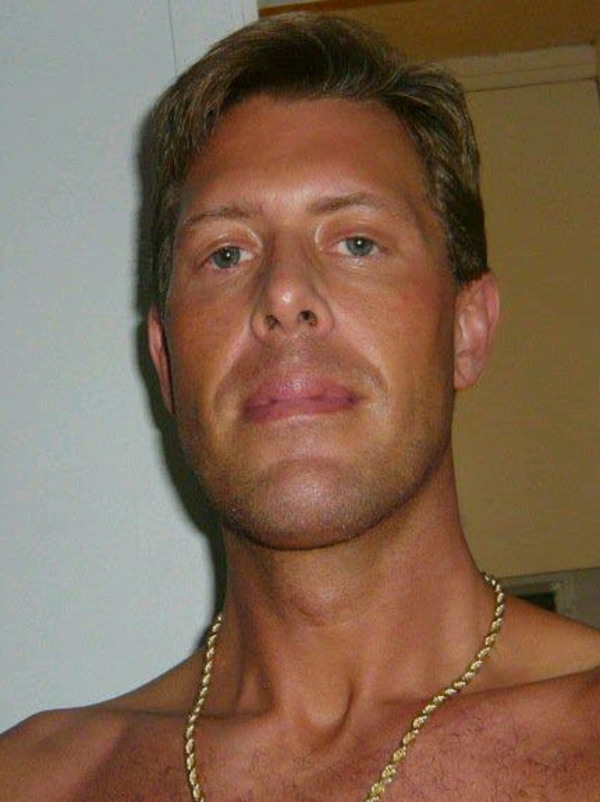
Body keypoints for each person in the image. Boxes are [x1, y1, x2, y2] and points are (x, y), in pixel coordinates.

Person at [1, 12, 599, 801]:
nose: (283, 294)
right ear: (166, 361)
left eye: (357, 243)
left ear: (467, 328)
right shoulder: (37, 780)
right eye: (226, 253)